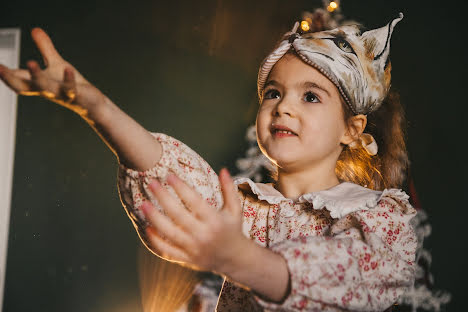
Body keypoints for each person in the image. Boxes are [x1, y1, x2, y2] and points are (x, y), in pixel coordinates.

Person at [0, 12, 417, 311]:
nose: (283, 107)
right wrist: (96, 107)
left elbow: (359, 276)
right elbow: (171, 177)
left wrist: (239, 258)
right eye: (273, 93)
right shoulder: (240, 209)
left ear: (351, 128)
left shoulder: (376, 216)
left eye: (311, 96)